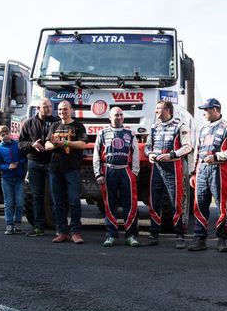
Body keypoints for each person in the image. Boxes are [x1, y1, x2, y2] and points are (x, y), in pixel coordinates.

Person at [188, 98, 227, 252]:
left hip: (219, 169)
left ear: (215, 110)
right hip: (202, 170)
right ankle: (200, 238)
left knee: (222, 205)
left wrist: (217, 157)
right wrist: (193, 173)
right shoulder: (203, 129)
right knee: (199, 204)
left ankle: (222, 239)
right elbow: (197, 152)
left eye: (206, 109)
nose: (203, 113)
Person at [145, 101, 193, 249]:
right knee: (154, 202)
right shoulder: (154, 127)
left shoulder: (180, 126)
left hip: (173, 167)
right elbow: (147, 147)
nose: (156, 112)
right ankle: (153, 234)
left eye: (158, 109)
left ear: (167, 110)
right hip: (157, 169)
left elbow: (187, 147)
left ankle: (179, 235)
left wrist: (171, 155)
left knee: (176, 203)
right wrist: (150, 154)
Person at [93, 107, 141, 247]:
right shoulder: (102, 133)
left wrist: (135, 172)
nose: (119, 117)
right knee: (109, 204)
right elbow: (96, 155)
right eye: (116, 115)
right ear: (109, 117)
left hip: (126, 171)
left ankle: (131, 235)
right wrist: (98, 174)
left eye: (121, 115)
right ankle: (111, 235)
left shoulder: (130, 133)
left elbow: (136, 154)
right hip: (108, 171)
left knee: (130, 204)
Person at [45, 100, 88, 244]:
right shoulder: (54, 125)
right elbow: (46, 145)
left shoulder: (78, 126)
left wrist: (66, 143)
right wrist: (55, 144)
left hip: (72, 169)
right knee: (57, 202)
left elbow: (82, 144)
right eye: (60, 109)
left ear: (71, 110)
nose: (62, 112)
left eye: (65, 109)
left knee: (74, 201)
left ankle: (75, 232)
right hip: (55, 169)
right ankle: (62, 231)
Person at [19, 97, 57, 237]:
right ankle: (39, 227)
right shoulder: (29, 123)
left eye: (49, 106)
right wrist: (32, 145)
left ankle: (59, 227)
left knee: (55, 196)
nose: (48, 109)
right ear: (38, 108)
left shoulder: (56, 122)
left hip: (51, 162)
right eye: (45, 106)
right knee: (37, 196)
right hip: (34, 163)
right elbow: (21, 143)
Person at [0, 125, 27, 235]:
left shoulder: (17, 145)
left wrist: (18, 163)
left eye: (6, 133)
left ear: (10, 133)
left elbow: (24, 158)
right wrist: (7, 167)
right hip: (6, 179)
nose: (5, 136)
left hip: (19, 178)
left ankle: (17, 223)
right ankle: (9, 224)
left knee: (20, 202)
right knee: (9, 202)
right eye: (2, 135)